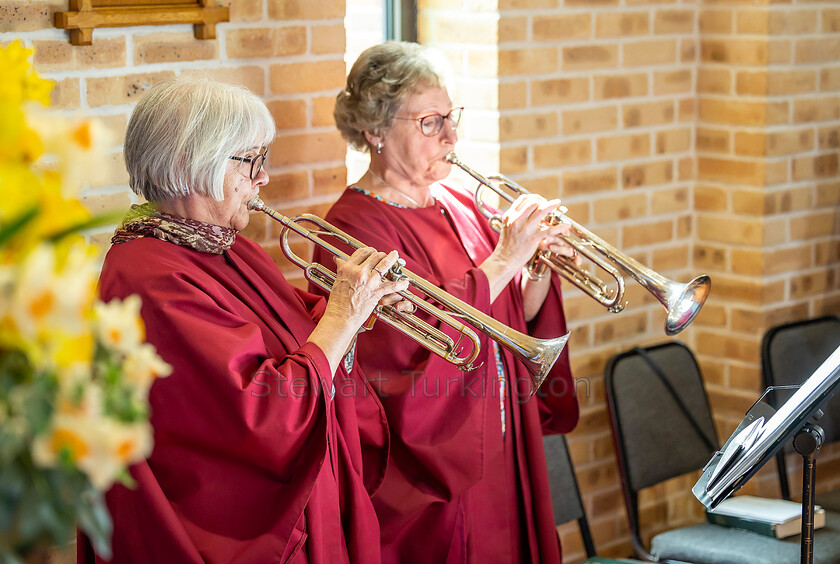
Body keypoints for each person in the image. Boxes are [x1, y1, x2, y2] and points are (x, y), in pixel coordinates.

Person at [83, 76, 413, 564]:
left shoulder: (224, 243)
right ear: (189, 164)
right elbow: (262, 413)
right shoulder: (146, 277)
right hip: (238, 532)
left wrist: (362, 309)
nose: (262, 179)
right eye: (251, 161)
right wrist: (343, 313)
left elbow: (293, 330)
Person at [311, 41, 580, 563]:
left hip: (502, 437)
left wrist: (537, 264)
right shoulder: (351, 229)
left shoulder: (459, 202)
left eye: (452, 117)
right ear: (376, 130)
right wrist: (505, 258)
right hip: (437, 466)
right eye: (431, 122)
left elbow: (512, 317)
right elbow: (398, 355)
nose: (452, 137)